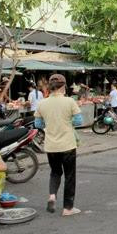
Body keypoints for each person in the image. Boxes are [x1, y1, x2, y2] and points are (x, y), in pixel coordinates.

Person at [35, 74, 83, 216]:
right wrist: (66, 122)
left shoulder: (42, 103)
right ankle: (68, 208)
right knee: (69, 176)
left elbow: (37, 124)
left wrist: (50, 123)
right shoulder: (69, 101)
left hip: (51, 146)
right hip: (67, 144)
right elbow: (79, 121)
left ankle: (52, 195)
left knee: (55, 173)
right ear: (63, 86)